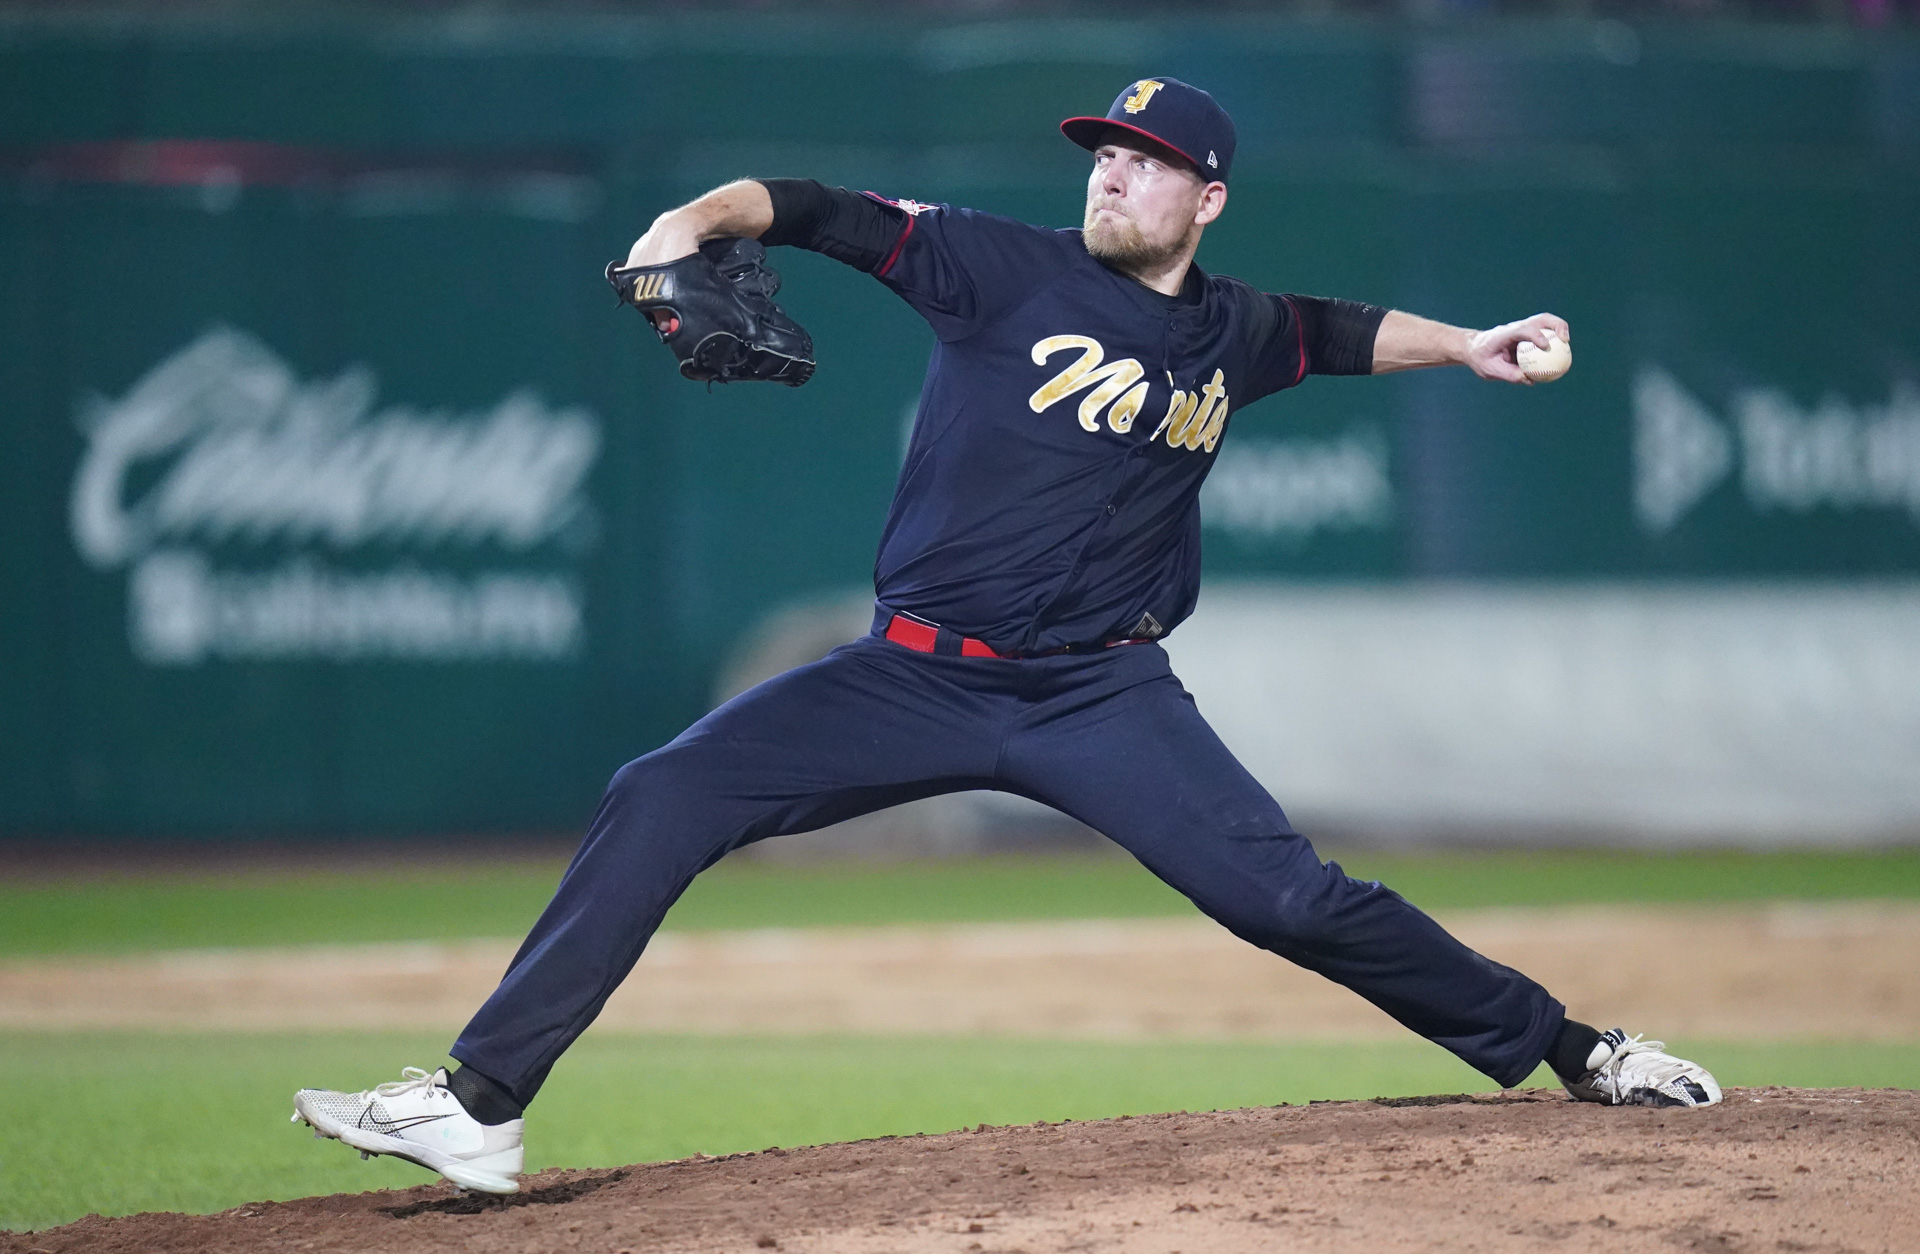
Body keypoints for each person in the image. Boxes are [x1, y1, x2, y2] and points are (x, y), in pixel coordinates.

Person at [291, 77, 1720, 1196]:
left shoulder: (1235, 332)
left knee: (1291, 902)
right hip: (910, 676)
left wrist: (1467, 344)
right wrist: (688, 224)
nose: (1113, 172)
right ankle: (480, 1107)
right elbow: (814, 209)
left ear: (1208, 198)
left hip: (1102, 698)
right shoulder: (996, 264)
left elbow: (1335, 330)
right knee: (661, 792)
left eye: (1147, 161)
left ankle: (1575, 1048)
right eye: (1104, 153)